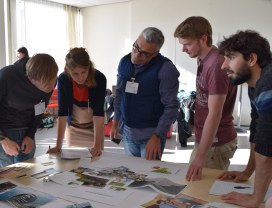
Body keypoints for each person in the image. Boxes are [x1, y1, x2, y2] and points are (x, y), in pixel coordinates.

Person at [174, 16, 237, 181]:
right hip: (208, 141)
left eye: (187, 44)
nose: (184, 50)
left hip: (215, 145)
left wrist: (201, 156)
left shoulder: (216, 65)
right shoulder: (203, 59)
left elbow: (215, 113)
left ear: (203, 39)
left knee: (199, 193)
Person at [217, 30, 272, 208]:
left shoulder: (268, 83)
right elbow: (256, 129)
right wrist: (248, 171)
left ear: (252, 59)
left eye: (230, 58)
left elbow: (267, 146)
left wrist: (256, 198)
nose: (223, 65)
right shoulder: (255, 84)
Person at [110, 27, 180, 160]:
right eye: (136, 47)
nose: (136, 54)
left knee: (148, 177)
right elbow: (119, 94)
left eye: (144, 54)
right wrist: (115, 122)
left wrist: (157, 136)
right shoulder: (124, 62)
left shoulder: (165, 69)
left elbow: (171, 107)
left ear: (155, 53)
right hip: (128, 132)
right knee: (131, 173)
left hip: (151, 136)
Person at [0, 54, 58, 167]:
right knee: (6, 178)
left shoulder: (49, 80)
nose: (52, 87)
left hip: (26, 130)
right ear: (31, 79)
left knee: (26, 173)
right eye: (47, 84)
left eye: (54, 81)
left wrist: (30, 135)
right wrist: (3, 140)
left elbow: (39, 109)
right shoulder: (6, 76)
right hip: (4, 130)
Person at [47, 47, 106, 157]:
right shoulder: (63, 79)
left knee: (96, 162)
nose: (80, 77)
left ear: (89, 67)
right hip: (73, 128)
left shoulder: (100, 78)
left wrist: (96, 145)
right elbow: (62, 113)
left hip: (94, 129)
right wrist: (58, 146)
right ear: (68, 71)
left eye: (84, 72)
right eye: (75, 74)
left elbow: (98, 114)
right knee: (73, 164)